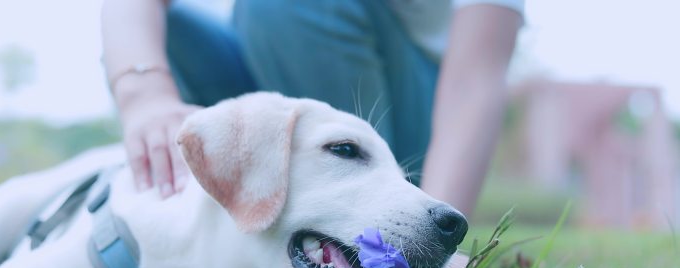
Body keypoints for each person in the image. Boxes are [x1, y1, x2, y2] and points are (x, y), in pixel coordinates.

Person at [101, 0, 523, 217]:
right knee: (164, 36)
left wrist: (430, 235)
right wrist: (146, 97)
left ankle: (361, 205)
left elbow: (474, 83)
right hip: (270, 65)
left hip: (408, 120)